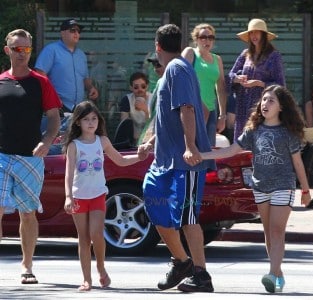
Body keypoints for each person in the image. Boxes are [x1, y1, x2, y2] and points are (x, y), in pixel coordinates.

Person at [199, 85, 311, 293]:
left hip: (283, 186)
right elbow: (231, 150)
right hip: (260, 187)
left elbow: (297, 163)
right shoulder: (253, 130)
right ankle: (278, 274)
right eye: (264, 99)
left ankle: (271, 272)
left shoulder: (288, 133)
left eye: (271, 101)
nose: (265, 104)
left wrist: (305, 190)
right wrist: (202, 155)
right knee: (268, 233)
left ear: (281, 107)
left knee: (277, 230)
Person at [140, 24, 216, 293]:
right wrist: (151, 141)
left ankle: (201, 274)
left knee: (187, 217)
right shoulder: (169, 74)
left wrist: (191, 146)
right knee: (153, 199)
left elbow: (189, 108)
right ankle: (181, 261)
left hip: (186, 161)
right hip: (164, 160)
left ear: (157, 45)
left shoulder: (177, 68)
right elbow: (202, 111)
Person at [63, 100, 149, 292]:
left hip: (98, 194)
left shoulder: (102, 141)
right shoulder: (74, 145)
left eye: (94, 118)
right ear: (78, 122)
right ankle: (87, 279)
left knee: (96, 234)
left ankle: (101, 268)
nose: (91, 123)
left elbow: (120, 160)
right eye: (86, 119)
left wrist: (139, 157)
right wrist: (68, 197)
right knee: (83, 238)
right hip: (79, 197)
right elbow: (69, 173)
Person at [0, 29, 61, 284]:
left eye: (25, 49)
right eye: (16, 49)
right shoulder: (0, 81)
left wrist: (47, 142)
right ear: (7, 50)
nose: (21, 54)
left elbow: (54, 118)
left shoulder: (40, 82)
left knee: (27, 213)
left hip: (30, 157)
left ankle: (27, 266)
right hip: (1, 155)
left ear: (30, 51)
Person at [228, 18, 285, 142]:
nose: (253, 36)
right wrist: (237, 79)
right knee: (241, 145)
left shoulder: (274, 56)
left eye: (257, 32)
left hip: (262, 107)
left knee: (260, 143)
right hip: (242, 106)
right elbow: (230, 75)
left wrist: (260, 84)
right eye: (251, 33)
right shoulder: (245, 54)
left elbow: (280, 85)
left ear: (263, 35)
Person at [35, 18, 98, 130]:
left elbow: (85, 78)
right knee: (56, 143)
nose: (76, 33)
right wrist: (52, 96)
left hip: (79, 109)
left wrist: (91, 88)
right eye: (73, 30)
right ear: (62, 33)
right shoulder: (51, 50)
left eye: (78, 31)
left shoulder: (81, 55)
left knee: (74, 143)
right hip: (57, 107)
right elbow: (39, 74)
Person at [182, 23, 226, 146]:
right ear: (196, 39)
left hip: (211, 110)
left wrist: (222, 116)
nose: (207, 40)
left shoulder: (217, 59)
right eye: (203, 37)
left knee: (208, 151)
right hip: (192, 109)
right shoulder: (190, 53)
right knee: (191, 149)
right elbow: (180, 80)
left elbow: (221, 88)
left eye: (211, 37)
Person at [137, 56, 165, 145]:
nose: (155, 68)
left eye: (158, 65)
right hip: (155, 136)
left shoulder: (168, 82)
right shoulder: (160, 82)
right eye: (154, 65)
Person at [119, 72, 152, 144]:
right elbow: (124, 123)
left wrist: (146, 110)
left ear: (147, 86)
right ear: (131, 88)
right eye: (136, 87)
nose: (140, 90)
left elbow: (154, 124)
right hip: (133, 140)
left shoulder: (153, 99)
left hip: (151, 140)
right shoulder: (127, 99)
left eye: (143, 86)